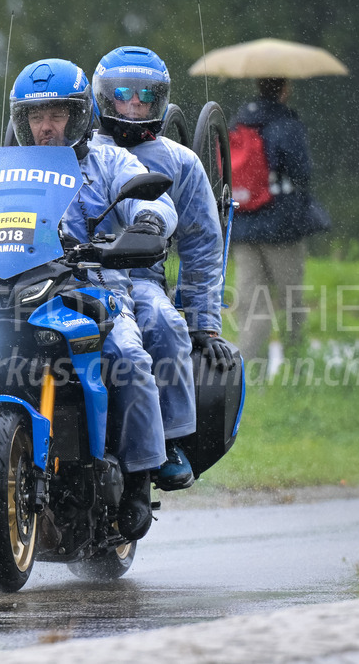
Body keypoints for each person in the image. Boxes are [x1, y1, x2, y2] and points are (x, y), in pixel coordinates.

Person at [0, 58, 179, 540]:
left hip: (93, 286)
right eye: (35, 116)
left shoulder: (110, 160)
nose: (45, 126)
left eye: (57, 113)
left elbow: (153, 199)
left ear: (80, 114)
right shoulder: (1, 173)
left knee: (127, 356)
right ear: (21, 120)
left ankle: (139, 477)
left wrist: (147, 223)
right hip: (8, 290)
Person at [91, 46, 234, 490]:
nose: (134, 105)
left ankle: (169, 439)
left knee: (166, 325)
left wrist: (203, 323)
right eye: (122, 94)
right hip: (74, 274)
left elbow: (203, 245)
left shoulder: (181, 161)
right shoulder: (80, 153)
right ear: (101, 98)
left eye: (146, 96)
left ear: (161, 99)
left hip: (141, 279)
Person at [228, 78, 331, 380]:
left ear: (258, 86)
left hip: (244, 226)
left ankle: (247, 380)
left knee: (251, 306)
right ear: (285, 89)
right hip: (282, 228)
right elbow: (302, 171)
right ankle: (296, 372)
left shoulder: (239, 120)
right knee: (291, 303)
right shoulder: (286, 123)